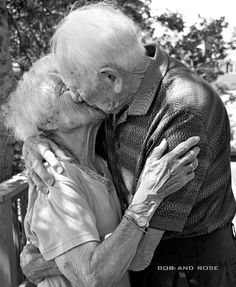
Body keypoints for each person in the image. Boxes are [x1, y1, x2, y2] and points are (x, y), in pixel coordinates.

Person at [21, 3, 236, 287]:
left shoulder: (181, 110)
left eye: (75, 85)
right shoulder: (109, 98)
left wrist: (47, 261)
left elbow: (140, 254)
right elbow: (59, 128)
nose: (74, 95)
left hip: (187, 265)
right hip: (130, 253)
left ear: (111, 78)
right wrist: (34, 141)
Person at [3, 54, 200, 287]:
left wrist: (48, 262)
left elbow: (131, 256)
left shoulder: (102, 163)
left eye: (81, 82)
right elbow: (92, 277)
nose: (80, 92)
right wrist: (148, 196)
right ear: (47, 120)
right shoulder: (54, 178)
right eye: (66, 88)